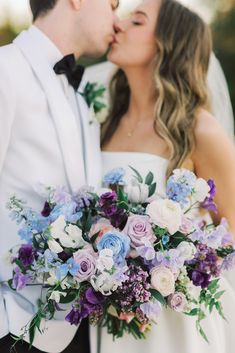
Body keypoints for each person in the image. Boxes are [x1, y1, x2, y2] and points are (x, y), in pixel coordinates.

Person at [89, 0, 235, 352]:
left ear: (168, 44)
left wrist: (164, 270)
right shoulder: (103, 123)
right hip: (110, 319)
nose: (119, 25)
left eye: (136, 21)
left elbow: (231, 236)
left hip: (173, 323)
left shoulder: (200, 129)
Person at [0, 0, 119, 352]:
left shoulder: (81, 96)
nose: (117, 18)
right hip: (12, 326)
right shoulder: (4, 70)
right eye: (113, 4)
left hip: (77, 328)